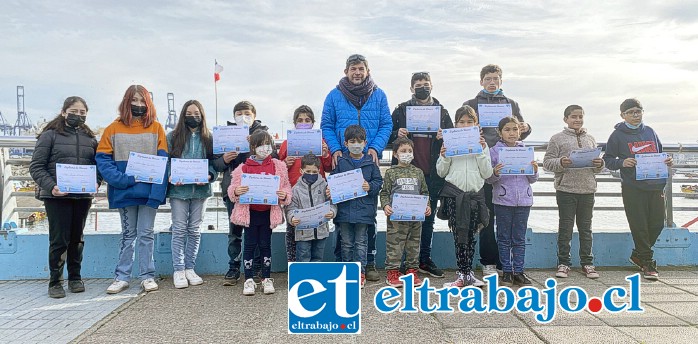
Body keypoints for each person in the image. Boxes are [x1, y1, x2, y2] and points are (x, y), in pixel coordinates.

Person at [321, 54, 391, 282]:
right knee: (344, 223)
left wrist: (376, 148)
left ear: (367, 71)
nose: (357, 72)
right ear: (346, 71)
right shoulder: (334, 95)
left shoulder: (379, 95)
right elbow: (327, 125)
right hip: (344, 160)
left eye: (361, 68)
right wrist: (335, 149)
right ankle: (344, 268)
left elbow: (385, 124)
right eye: (353, 69)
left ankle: (368, 265)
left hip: (367, 160)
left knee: (367, 220)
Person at [96, 85, 168, 294]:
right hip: (124, 189)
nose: (138, 104)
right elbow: (103, 159)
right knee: (128, 234)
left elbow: (163, 161)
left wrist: (157, 193)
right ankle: (122, 276)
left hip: (148, 193)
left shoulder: (156, 128)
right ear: (126, 102)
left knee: (146, 234)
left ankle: (147, 276)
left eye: (142, 101)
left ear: (148, 103)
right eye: (134, 100)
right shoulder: (113, 128)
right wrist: (120, 180)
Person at [463, 64, 532, 277]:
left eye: (495, 78)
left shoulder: (511, 104)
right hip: (481, 165)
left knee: (507, 220)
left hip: (509, 172)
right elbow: (462, 129)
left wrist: (527, 127)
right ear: (481, 81)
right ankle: (488, 261)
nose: (492, 82)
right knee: (485, 218)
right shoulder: (471, 104)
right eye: (488, 78)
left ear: (501, 81)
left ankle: (507, 265)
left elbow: (519, 130)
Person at [29, 96, 102, 298]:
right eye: (74, 111)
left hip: (82, 195)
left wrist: (97, 181)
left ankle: (75, 278)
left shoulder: (90, 139)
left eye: (82, 113)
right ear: (63, 112)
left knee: (77, 238)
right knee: (59, 239)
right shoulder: (50, 135)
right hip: (56, 197)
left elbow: (99, 166)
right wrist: (51, 187)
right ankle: (55, 282)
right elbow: (36, 166)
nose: (78, 116)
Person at [387, 71, 453, 278]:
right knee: (402, 219)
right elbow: (387, 137)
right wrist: (395, 134)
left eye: (426, 84)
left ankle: (423, 260)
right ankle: (399, 264)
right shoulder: (400, 111)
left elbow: (454, 141)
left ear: (432, 86)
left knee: (427, 218)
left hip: (431, 175)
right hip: (404, 175)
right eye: (418, 85)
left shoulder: (441, 112)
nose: (422, 87)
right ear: (411, 88)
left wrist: (445, 137)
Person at [603, 98, 672, 280]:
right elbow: (608, 160)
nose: (635, 115)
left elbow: (661, 154)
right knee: (639, 225)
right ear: (622, 115)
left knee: (657, 224)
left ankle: (638, 254)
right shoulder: (617, 135)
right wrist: (622, 162)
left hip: (655, 185)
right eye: (631, 112)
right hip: (633, 187)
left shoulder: (650, 131)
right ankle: (648, 263)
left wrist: (668, 161)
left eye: (638, 111)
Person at [543, 105, 604, 279]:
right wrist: (561, 162)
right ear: (565, 119)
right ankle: (563, 263)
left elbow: (596, 167)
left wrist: (600, 164)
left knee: (586, 229)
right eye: (573, 117)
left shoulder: (591, 139)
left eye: (580, 117)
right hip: (566, 189)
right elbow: (547, 163)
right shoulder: (557, 138)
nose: (577, 120)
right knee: (565, 227)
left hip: (588, 189)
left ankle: (587, 263)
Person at [229, 129, 292, 295]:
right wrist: (236, 191)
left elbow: (286, 186)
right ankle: (249, 279)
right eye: (260, 145)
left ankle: (266, 278)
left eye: (267, 144)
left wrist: (284, 195)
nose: (265, 148)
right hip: (250, 213)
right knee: (249, 245)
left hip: (267, 212)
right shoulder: (243, 168)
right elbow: (232, 188)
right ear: (252, 147)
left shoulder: (278, 166)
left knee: (265, 245)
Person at [436, 105, 493, 287]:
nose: (465, 124)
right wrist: (444, 156)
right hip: (455, 196)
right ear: (456, 124)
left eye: (470, 121)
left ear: (476, 124)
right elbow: (441, 172)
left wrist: (481, 152)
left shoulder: (483, 145)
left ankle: (469, 274)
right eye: (462, 122)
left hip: (475, 197)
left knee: (471, 236)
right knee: (459, 236)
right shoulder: (449, 143)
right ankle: (461, 274)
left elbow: (487, 173)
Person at [211, 101, 265, 286]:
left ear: (254, 115)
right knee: (235, 232)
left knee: (257, 230)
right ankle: (233, 267)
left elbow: (272, 159)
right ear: (234, 117)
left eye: (247, 113)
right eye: (239, 113)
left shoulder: (262, 134)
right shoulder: (225, 135)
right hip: (233, 191)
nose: (243, 117)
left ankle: (257, 267)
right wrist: (224, 160)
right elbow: (216, 165)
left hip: (257, 191)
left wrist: (255, 149)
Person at [166, 100, 218, 289]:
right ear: (183, 115)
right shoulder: (172, 136)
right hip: (179, 191)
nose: (193, 116)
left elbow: (213, 162)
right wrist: (172, 175)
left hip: (201, 191)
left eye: (197, 113)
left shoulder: (209, 138)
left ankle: (190, 267)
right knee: (179, 229)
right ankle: (178, 269)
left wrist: (210, 175)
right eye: (189, 113)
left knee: (195, 230)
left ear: (202, 115)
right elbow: (167, 161)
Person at [487, 117, 538, 286]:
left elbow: (532, 179)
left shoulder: (526, 150)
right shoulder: (494, 151)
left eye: (515, 129)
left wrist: (535, 170)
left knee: (519, 238)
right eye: (507, 129)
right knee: (503, 237)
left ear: (520, 131)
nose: (511, 133)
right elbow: (489, 179)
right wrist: (495, 172)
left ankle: (519, 271)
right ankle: (507, 271)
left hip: (524, 200)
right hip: (503, 200)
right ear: (500, 132)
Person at [277, 105, 333, 262]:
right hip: (295, 194)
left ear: (313, 123)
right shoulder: (286, 144)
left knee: (316, 231)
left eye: (307, 120)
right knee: (292, 231)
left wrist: (326, 153)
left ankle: (314, 268)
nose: (304, 122)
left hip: (317, 193)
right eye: (300, 120)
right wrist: (284, 163)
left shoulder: (320, 142)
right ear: (294, 123)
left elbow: (328, 167)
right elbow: (279, 170)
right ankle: (294, 268)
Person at [330, 125, 383, 288]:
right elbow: (333, 180)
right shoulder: (341, 162)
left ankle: (360, 272)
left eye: (359, 141)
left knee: (361, 242)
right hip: (345, 212)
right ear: (345, 144)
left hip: (364, 212)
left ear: (365, 143)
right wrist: (329, 187)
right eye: (352, 141)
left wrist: (370, 187)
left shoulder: (371, 162)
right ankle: (347, 270)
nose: (356, 144)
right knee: (346, 243)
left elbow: (378, 181)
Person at [380, 137, 431, 287]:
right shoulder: (391, 172)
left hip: (415, 218)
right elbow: (384, 193)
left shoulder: (418, 172)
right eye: (403, 151)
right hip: (396, 218)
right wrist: (385, 206)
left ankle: (412, 271)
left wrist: (427, 206)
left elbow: (424, 192)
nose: (407, 153)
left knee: (414, 245)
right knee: (394, 245)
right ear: (395, 154)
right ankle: (393, 272)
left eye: (409, 151)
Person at [286, 154, 337, 262]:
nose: (311, 174)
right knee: (303, 258)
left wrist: (332, 212)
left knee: (318, 258)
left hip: (321, 231)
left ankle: (315, 278)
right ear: (301, 170)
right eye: (308, 171)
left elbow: (332, 202)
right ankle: (302, 278)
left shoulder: (325, 186)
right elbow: (290, 209)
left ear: (319, 170)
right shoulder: (295, 189)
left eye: (314, 172)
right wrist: (292, 218)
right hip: (303, 232)